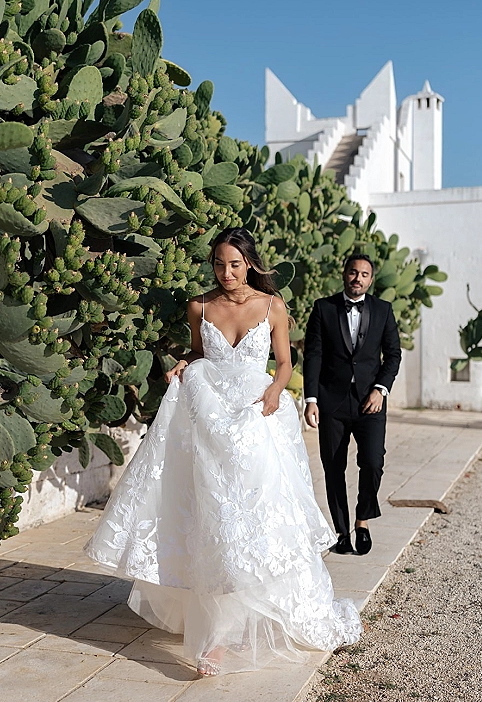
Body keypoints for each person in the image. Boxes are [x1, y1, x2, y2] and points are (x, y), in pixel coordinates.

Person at [85, 228, 362, 677]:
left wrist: (276, 390)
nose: (226, 272)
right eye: (219, 263)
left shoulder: (273, 307)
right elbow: (199, 354)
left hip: (256, 418)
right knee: (210, 514)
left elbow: (285, 362)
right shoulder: (199, 305)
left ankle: (243, 616)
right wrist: (183, 363)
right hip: (210, 418)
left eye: (234, 264)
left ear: (249, 263)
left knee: (253, 514)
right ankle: (215, 634)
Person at [303, 253, 401, 556]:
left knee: (373, 462)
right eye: (353, 272)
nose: (358, 278)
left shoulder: (383, 311)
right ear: (344, 274)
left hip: (370, 402)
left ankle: (363, 520)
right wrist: (311, 399)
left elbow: (393, 355)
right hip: (332, 403)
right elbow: (314, 355)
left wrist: (380, 390)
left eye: (364, 274)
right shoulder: (324, 308)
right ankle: (342, 531)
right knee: (333, 469)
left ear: (371, 280)